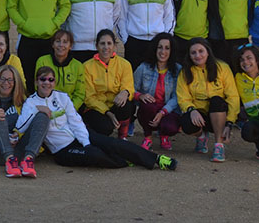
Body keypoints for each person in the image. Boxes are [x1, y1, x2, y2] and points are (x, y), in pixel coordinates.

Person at [15, 66, 177, 171]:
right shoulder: (31, 102)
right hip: (62, 150)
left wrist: (86, 142)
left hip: (81, 135)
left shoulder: (62, 97)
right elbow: (21, 126)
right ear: (36, 81)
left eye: (50, 80)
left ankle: (157, 159)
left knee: (112, 143)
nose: (47, 83)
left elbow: (75, 121)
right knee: (95, 155)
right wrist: (38, 110)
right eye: (42, 79)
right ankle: (123, 161)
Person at [0, 65, 48, 178]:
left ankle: (28, 160)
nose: (5, 83)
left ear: (15, 82)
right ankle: (9, 161)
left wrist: (17, 135)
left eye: (10, 80)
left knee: (43, 116)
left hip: (19, 149)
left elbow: (28, 124)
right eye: (2, 79)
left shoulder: (23, 102)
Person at [177, 38, 240, 162]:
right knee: (186, 123)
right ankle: (201, 136)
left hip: (218, 116)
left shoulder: (222, 67)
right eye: (193, 53)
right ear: (189, 55)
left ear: (208, 52)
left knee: (217, 100)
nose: (198, 55)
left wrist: (230, 121)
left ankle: (218, 145)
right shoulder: (185, 72)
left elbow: (233, 96)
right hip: (199, 114)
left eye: (201, 51)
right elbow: (183, 97)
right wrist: (191, 109)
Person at [81, 29, 135, 139]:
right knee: (105, 128)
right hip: (96, 108)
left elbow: (129, 86)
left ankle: (123, 134)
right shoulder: (86, 67)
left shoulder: (124, 64)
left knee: (128, 105)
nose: (106, 47)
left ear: (115, 46)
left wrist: (125, 92)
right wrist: (107, 112)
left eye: (109, 43)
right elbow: (89, 97)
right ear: (96, 46)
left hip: (115, 104)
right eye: (102, 43)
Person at [133, 33, 182, 151]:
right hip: (149, 108)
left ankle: (164, 135)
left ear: (172, 51)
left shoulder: (178, 70)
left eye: (167, 48)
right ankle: (148, 137)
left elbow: (177, 96)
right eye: (160, 47)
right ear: (155, 48)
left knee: (171, 127)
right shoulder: (144, 67)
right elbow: (130, 88)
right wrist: (140, 96)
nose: (163, 51)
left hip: (167, 110)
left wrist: (163, 112)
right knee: (147, 107)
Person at [34, 30, 86, 111]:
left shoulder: (78, 66)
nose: (61, 45)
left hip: (70, 108)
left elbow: (80, 94)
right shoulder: (42, 61)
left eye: (65, 42)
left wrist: (69, 109)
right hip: (46, 108)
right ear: (52, 45)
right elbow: (38, 87)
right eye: (57, 41)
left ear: (70, 46)